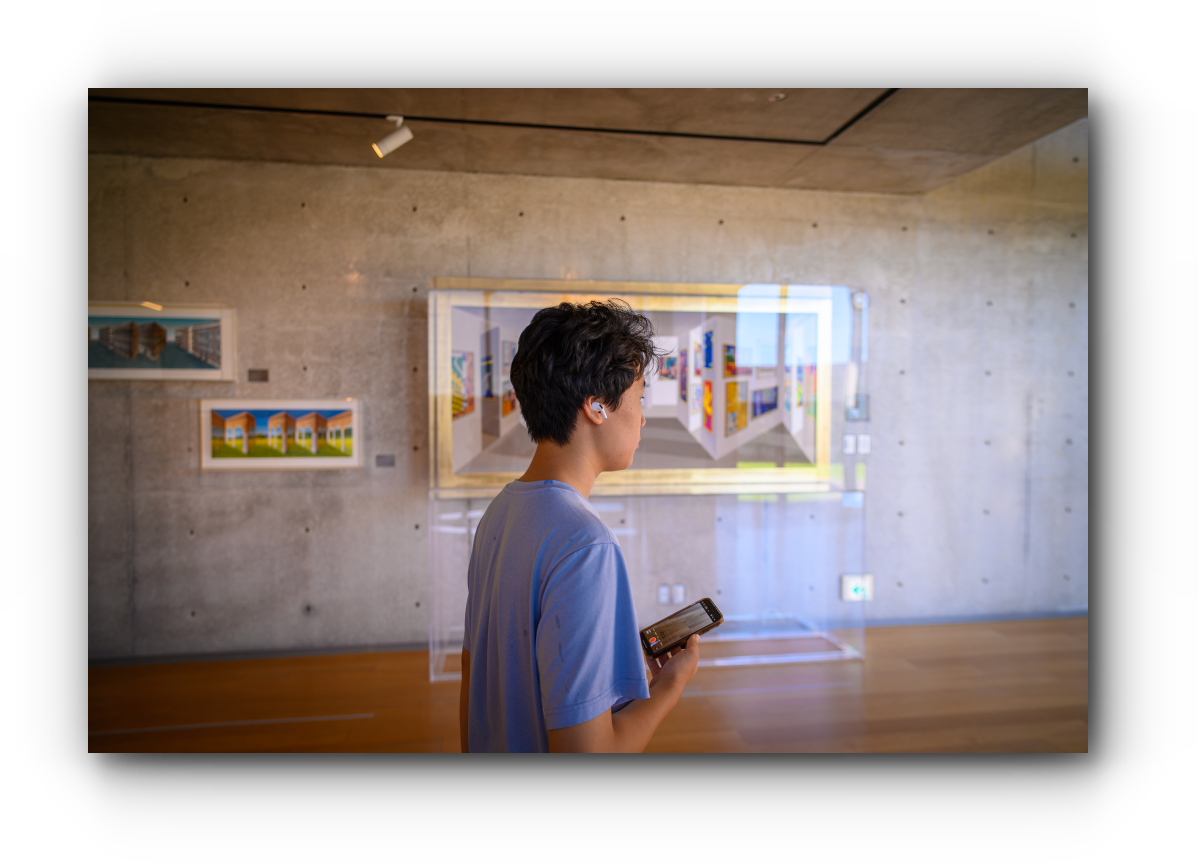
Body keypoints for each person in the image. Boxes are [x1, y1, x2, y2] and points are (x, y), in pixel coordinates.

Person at [459, 299, 701, 752]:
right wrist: (671, 685)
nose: (642, 417)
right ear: (596, 406)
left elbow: (473, 677)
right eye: (639, 398)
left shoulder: (498, 513)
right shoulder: (587, 545)